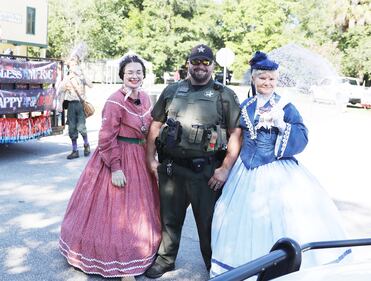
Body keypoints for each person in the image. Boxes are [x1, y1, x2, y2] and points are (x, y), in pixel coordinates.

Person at [209, 51, 351, 278]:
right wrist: (226, 166)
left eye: (271, 79)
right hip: (245, 171)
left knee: (283, 218)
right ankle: (243, 267)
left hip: (276, 169)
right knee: (240, 219)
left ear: (277, 80)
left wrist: (283, 125)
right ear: (254, 79)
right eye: (262, 78)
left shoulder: (285, 106)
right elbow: (238, 136)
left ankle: (283, 267)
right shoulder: (246, 105)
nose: (267, 82)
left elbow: (303, 135)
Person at [59, 54, 161, 279]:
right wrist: (115, 167)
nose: (134, 76)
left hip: (139, 156)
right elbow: (106, 138)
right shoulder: (115, 100)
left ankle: (137, 256)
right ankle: (124, 267)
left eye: (138, 72)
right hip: (118, 157)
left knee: (139, 213)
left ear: (143, 75)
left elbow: (149, 127)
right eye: (129, 73)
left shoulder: (144, 97)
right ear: (122, 76)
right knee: (117, 213)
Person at [145, 44, 241, 278]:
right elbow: (155, 125)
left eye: (205, 62)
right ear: (188, 63)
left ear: (212, 66)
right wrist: (150, 159)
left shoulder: (224, 94)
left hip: (206, 171)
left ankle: (213, 265)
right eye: (195, 61)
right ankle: (165, 259)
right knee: (169, 219)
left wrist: (224, 168)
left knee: (207, 223)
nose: (200, 66)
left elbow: (236, 133)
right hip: (172, 168)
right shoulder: (172, 91)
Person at [59, 55, 93, 159]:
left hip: (80, 104)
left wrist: (82, 74)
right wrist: (60, 105)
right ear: (69, 66)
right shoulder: (67, 79)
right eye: (72, 65)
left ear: (78, 65)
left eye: (75, 64)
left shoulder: (81, 77)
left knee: (81, 127)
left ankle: (86, 145)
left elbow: (91, 85)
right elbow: (61, 92)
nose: (73, 66)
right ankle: (75, 151)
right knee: (72, 128)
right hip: (71, 105)